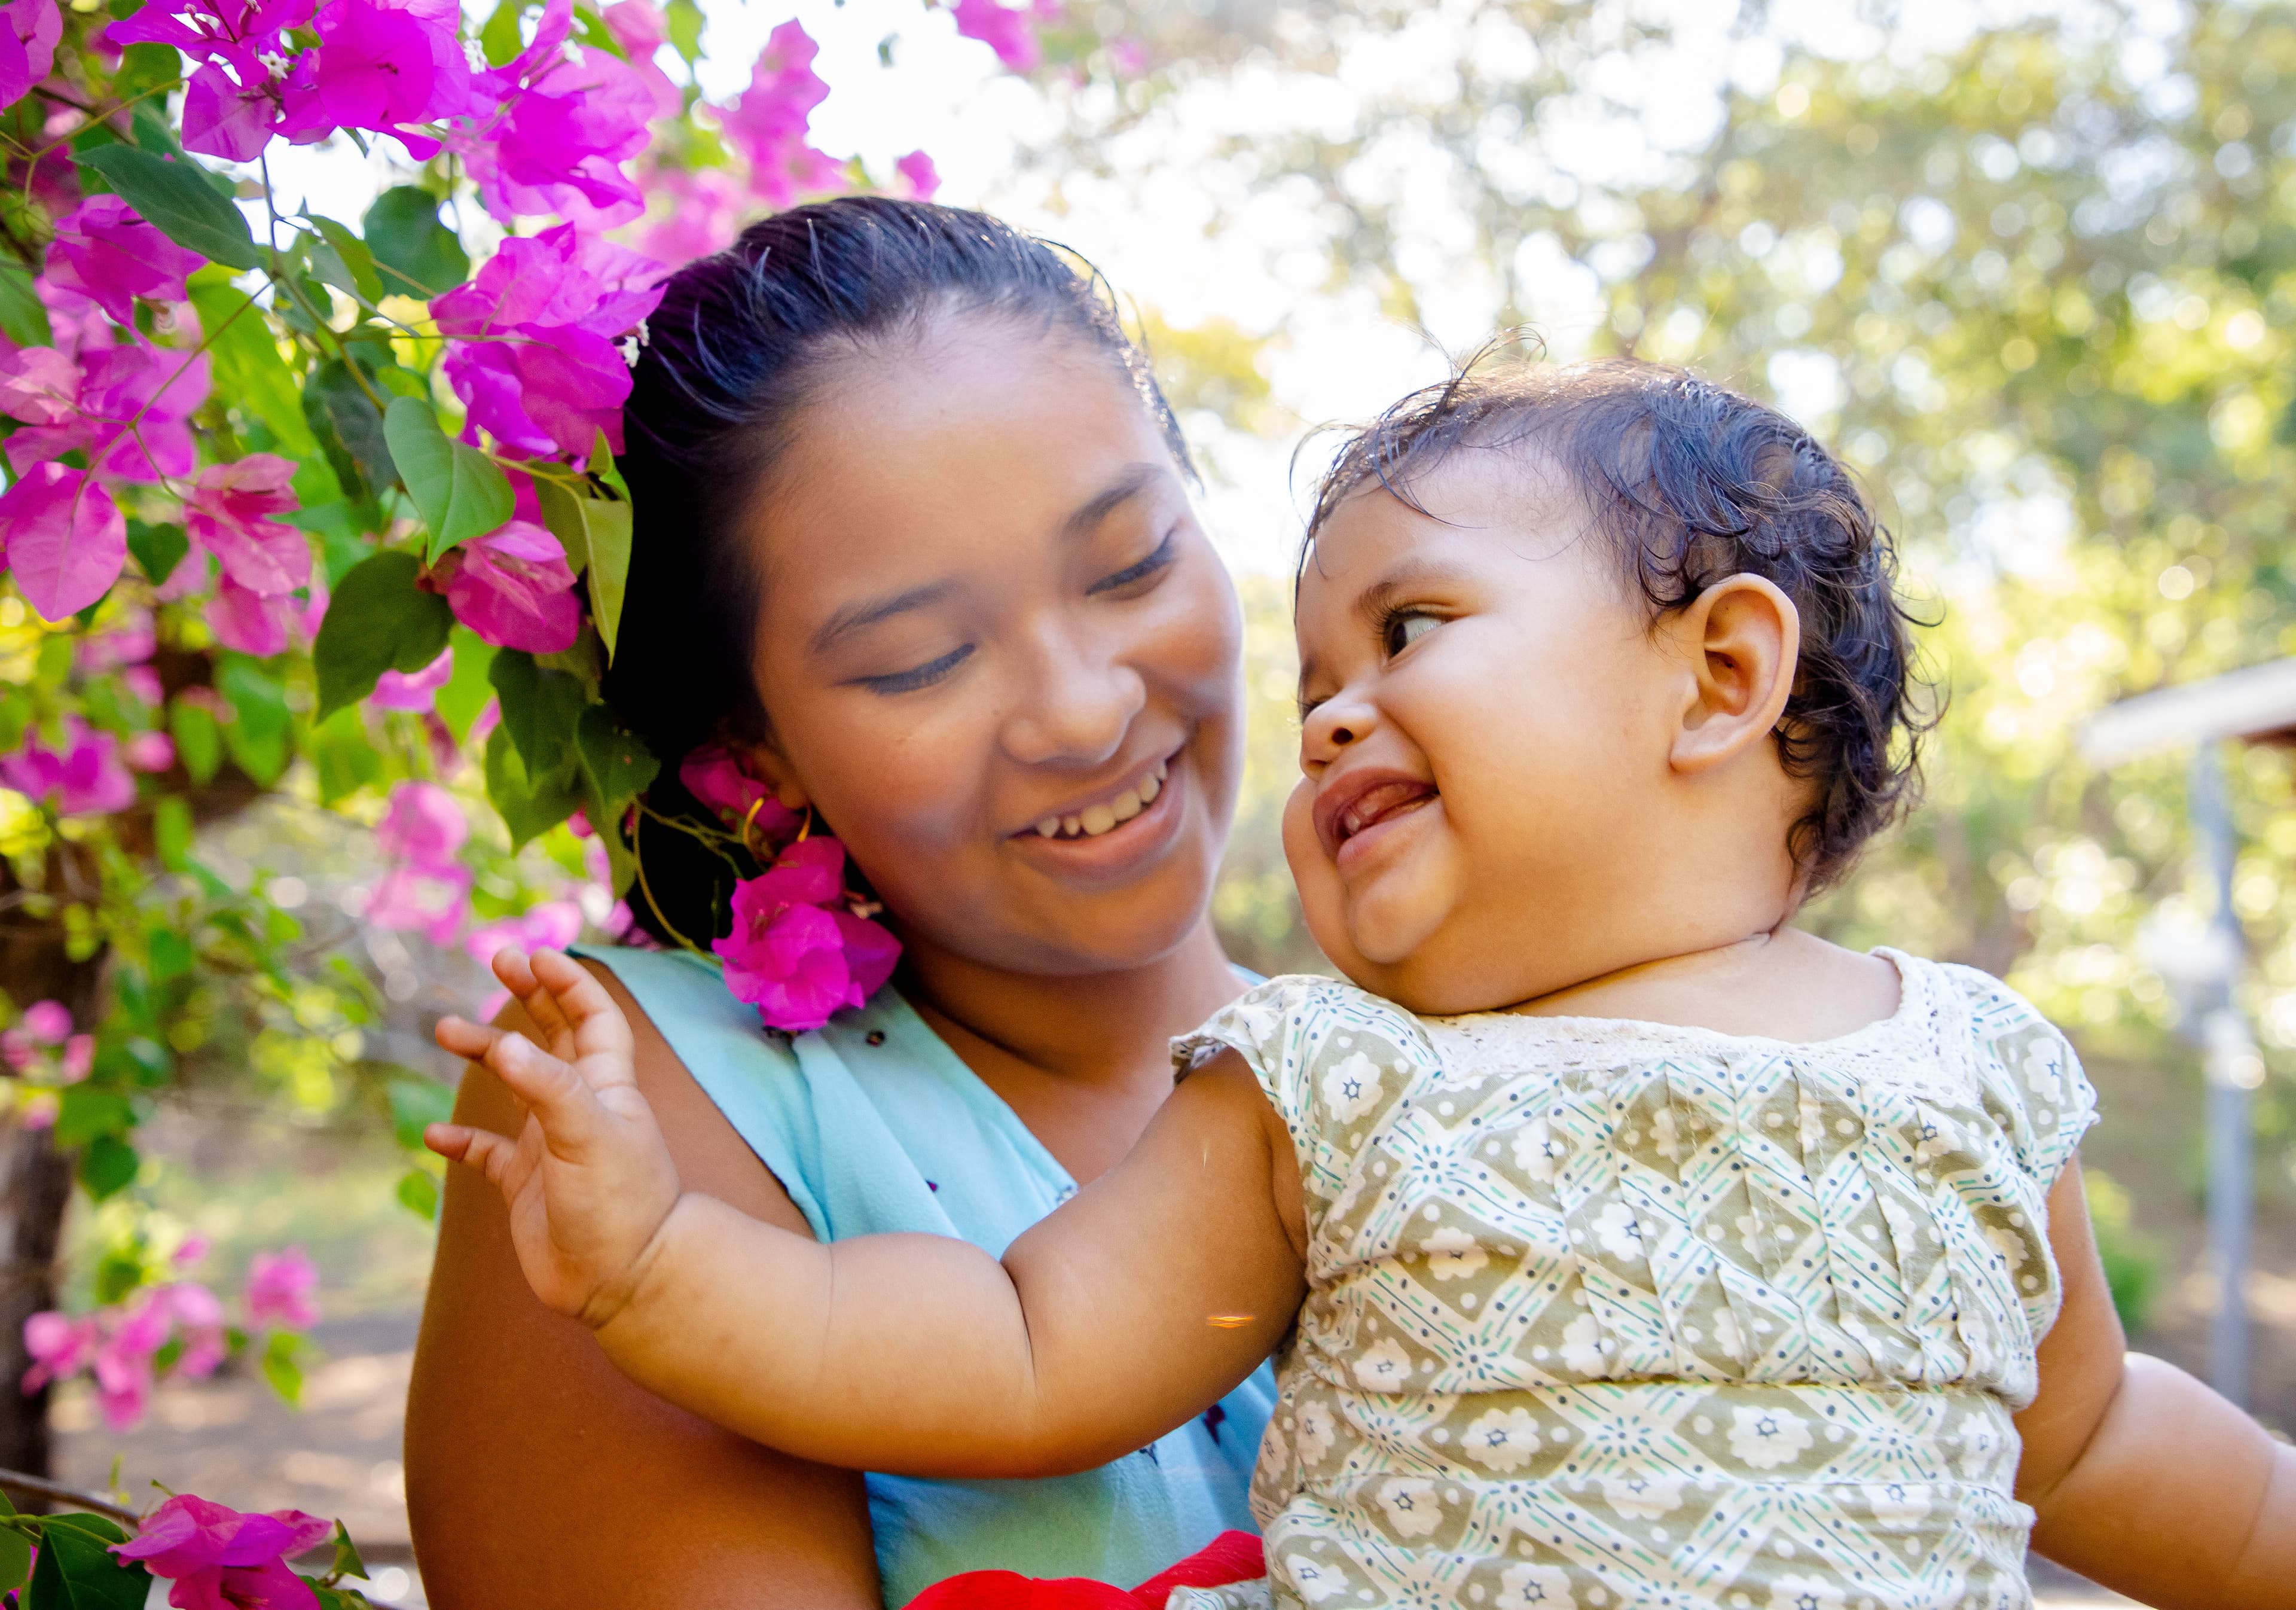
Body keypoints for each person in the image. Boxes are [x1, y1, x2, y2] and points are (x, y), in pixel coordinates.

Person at [428, 358, 2296, 1609]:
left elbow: (2095, 1430)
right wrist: (661, 1266)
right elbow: (1021, 1349)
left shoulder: (1969, 1063)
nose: (1328, 712)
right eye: (1318, 668)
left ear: (1724, 677)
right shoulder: (1326, 1080)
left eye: (1409, 629)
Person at [401, 197, 1278, 1609]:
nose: (1082, 709)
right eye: (922, 659)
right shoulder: (631, 1106)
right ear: (755, 754)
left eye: (1132, 564)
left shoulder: (1443, 1054)